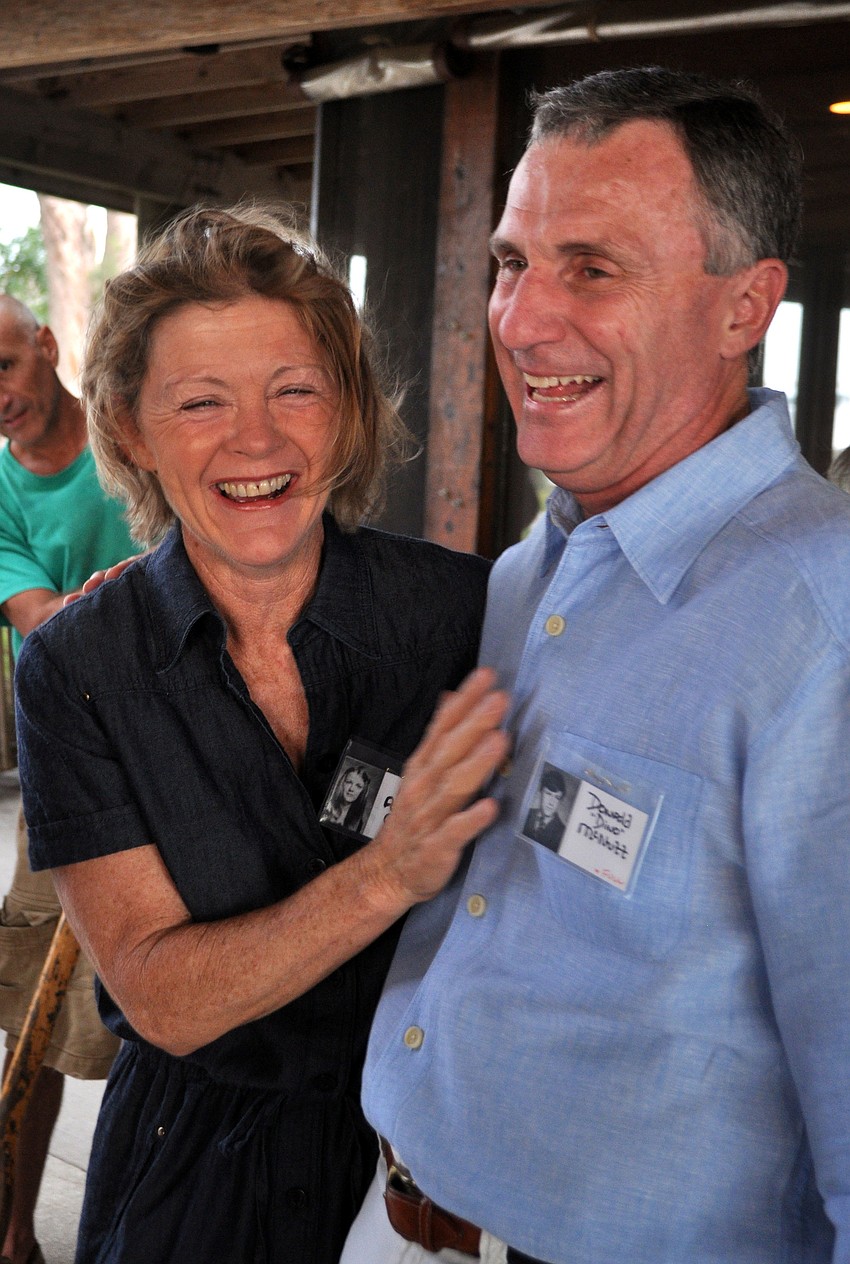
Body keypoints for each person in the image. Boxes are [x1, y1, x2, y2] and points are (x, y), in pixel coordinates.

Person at [349, 66, 850, 1263]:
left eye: (593, 267)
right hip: (394, 1215)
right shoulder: (534, 570)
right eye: (514, 262)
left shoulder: (818, 620)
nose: (521, 320)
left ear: (744, 307)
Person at [13, 205, 510, 1264]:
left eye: (296, 389)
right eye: (201, 402)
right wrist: (391, 870)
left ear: (346, 409)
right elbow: (161, 996)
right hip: (189, 1173)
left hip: (429, 1173)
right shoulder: (81, 670)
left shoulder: (469, 615)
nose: (258, 440)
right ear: (132, 427)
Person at [0, 295, 135, 1264]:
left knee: (156, 1015)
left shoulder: (131, 439)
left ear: (46, 346)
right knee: (31, 1021)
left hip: (179, 756)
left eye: (4, 363)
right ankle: (13, 1233)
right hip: (64, 764)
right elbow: (41, 620)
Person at [521, 767, 566, 848]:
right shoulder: (525, 813)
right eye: (548, 794)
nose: (551, 802)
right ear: (540, 793)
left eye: (557, 797)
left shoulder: (563, 833)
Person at [325, 765, 373, 832]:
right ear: (342, 783)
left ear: (362, 791)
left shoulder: (358, 822)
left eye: (358, 786)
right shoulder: (326, 808)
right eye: (349, 782)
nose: (351, 789)